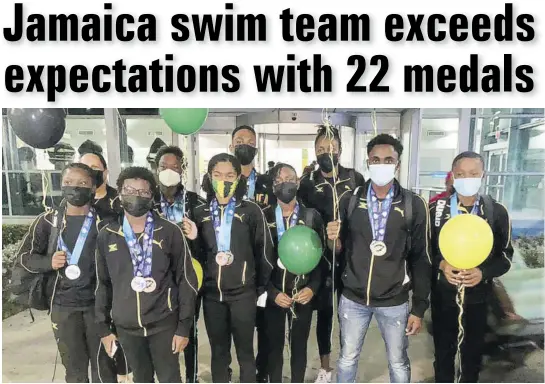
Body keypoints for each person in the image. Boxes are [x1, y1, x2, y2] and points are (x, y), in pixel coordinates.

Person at [327, 134, 431, 383]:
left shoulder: (413, 204)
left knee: (398, 361)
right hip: (353, 298)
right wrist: (333, 239)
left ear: (397, 164)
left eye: (388, 159)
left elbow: (421, 258)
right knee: (347, 358)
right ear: (367, 162)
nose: (381, 164)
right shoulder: (350, 199)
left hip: (394, 300)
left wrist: (418, 307)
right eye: (376, 159)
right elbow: (339, 249)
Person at [95, 166, 198, 383]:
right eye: (130, 190)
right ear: (120, 193)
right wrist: (104, 329)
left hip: (164, 324)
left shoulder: (170, 231)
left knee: (170, 377)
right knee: (141, 378)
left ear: (152, 196)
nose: (136, 196)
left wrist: (183, 327)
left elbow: (186, 281)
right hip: (126, 327)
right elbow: (103, 285)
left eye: (143, 192)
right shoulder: (108, 235)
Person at [17, 163, 117, 383]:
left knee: (104, 369)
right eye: (69, 182)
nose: (75, 188)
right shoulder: (47, 221)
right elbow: (25, 258)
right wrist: (48, 262)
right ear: (61, 186)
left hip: (98, 308)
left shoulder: (105, 222)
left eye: (82, 183)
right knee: (74, 370)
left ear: (92, 188)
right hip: (63, 307)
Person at [429, 151, 514, 383]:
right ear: (453, 177)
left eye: (473, 174)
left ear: (482, 175)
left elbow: (505, 257)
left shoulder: (496, 212)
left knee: (472, 356)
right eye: (461, 174)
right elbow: (424, 252)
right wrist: (442, 264)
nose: (467, 179)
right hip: (443, 296)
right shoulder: (436, 211)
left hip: (478, 298)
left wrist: (482, 272)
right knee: (443, 354)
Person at [194, 153, 273, 383]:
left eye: (230, 175)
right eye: (217, 175)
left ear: (239, 178)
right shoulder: (200, 212)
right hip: (212, 296)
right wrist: (193, 238)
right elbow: (196, 256)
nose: (223, 180)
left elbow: (264, 252)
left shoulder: (251, 210)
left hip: (243, 295)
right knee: (219, 353)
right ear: (209, 176)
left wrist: (257, 288)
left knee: (245, 352)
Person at [298, 125, 365, 383]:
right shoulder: (307, 184)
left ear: (340, 150)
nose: (327, 153)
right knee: (325, 313)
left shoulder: (355, 179)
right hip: (320, 259)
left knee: (349, 314)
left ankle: (347, 365)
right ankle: (325, 368)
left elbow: (363, 216)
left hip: (350, 258)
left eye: (332, 149)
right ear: (315, 152)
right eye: (321, 149)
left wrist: (344, 239)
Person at [262, 163, 324, 383]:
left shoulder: (311, 217)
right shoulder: (263, 216)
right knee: (274, 347)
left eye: (289, 178)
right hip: (275, 296)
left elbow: (320, 259)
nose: (284, 183)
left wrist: (312, 288)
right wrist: (271, 292)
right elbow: (257, 261)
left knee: (299, 347)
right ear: (272, 187)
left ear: (298, 182)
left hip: (302, 295)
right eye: (278, 181)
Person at [153, 145, 206, 383]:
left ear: (183, 170)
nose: (169, 171)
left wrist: (195, 237)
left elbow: (209, 246)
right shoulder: (147, 203)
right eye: (164, 166)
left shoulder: (195, 202)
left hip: (188, 278)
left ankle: (192, 377)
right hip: (156, 278)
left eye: (175, 167)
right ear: (156, 169)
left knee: (188, 330)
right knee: (162, 331)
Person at [79, 151, 122, 225]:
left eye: (94, 168)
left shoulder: (119, 200)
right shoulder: (72, 200)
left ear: (105, 172)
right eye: (84, 168)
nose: (89, 172)